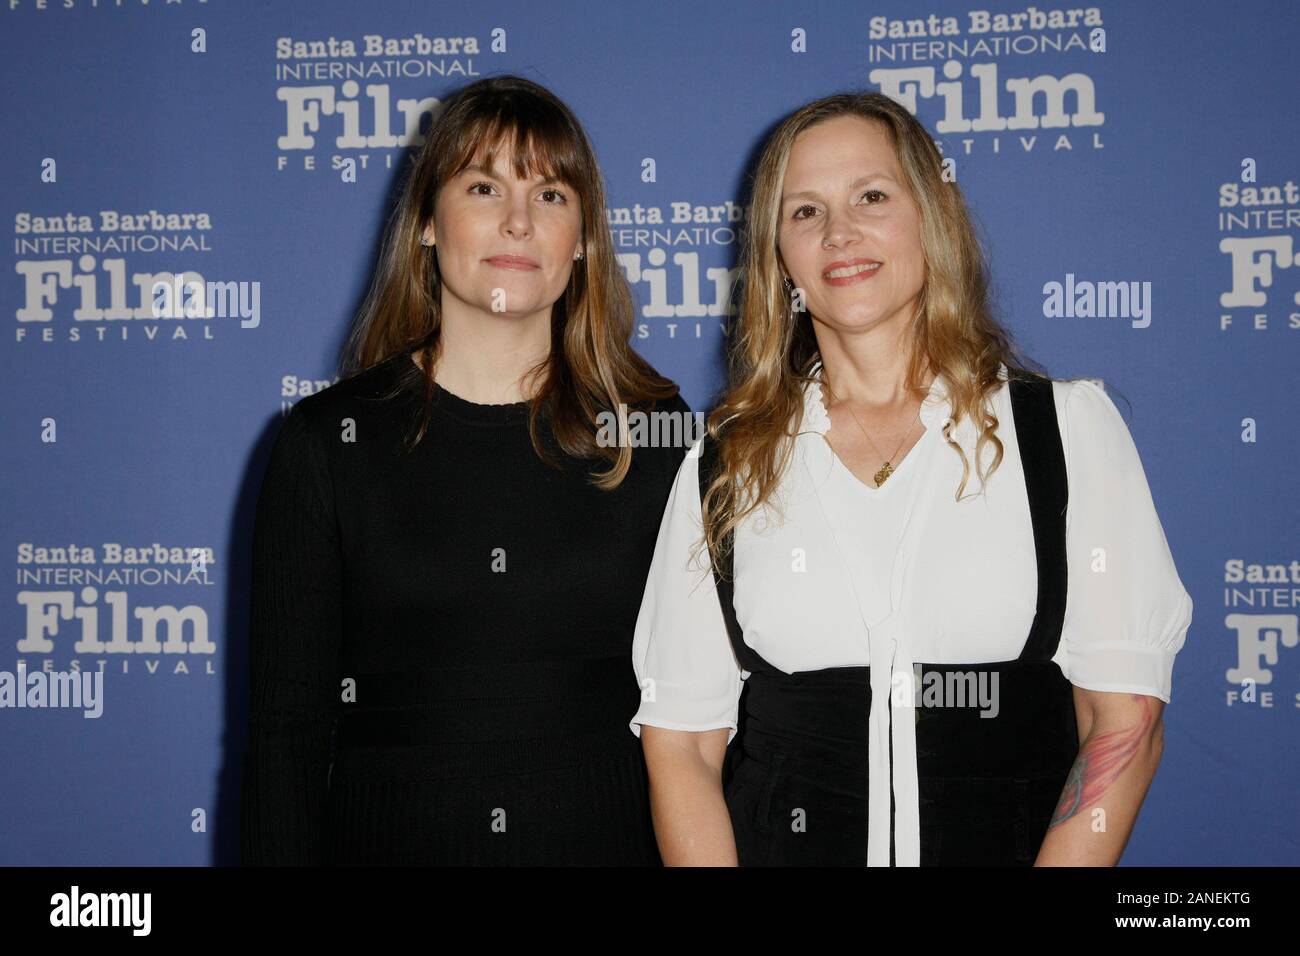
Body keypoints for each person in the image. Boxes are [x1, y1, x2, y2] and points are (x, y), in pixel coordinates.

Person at [630, 91, 1193, 866]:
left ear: (930, 218)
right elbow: (684, 745)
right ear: (778, 257)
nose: (839, 233)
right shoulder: (724, 465)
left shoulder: (1065, 434)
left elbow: (1123, 724)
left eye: (872, 196)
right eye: (804, 212)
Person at [241, 75, 691, 865]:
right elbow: (287, 737)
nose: (519, 220)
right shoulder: (328, 445)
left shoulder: (657, 437)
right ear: (425, 223)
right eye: (484, 186)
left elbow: (708, 725)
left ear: (583, 238)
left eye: (551, 195)